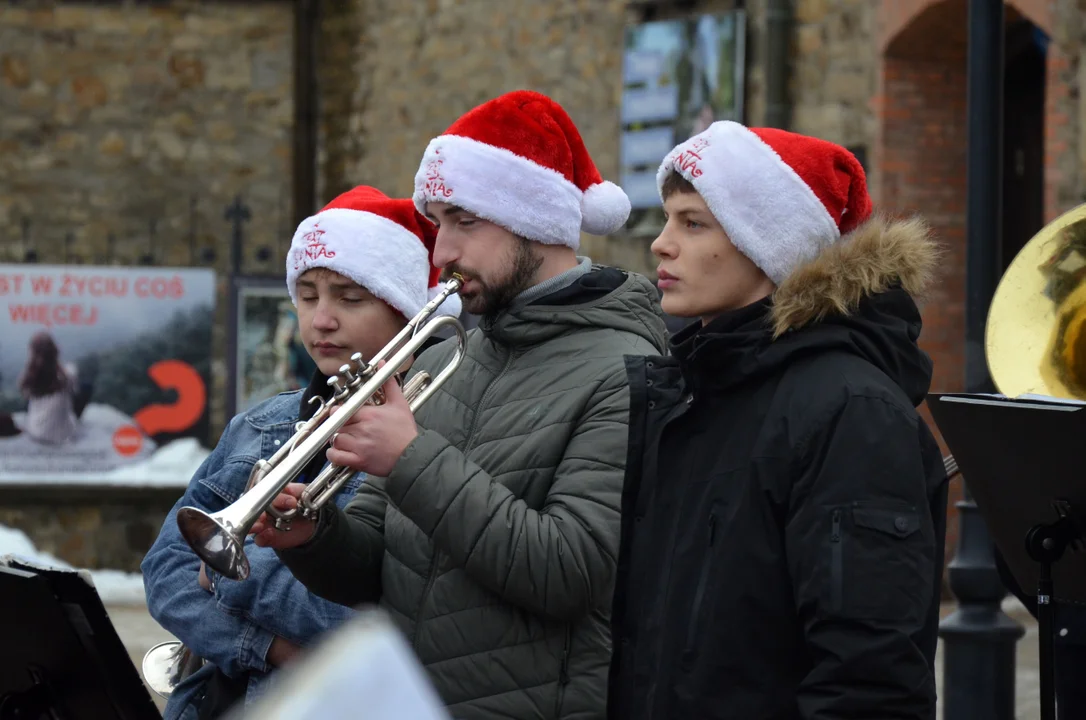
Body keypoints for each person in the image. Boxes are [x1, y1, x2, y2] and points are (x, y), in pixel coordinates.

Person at [252, 90, 669, 719]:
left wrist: (412, 457)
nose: (441, 251)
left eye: (465, 223)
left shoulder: (624, 367)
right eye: (439, 223)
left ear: (535, 223)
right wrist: (311, 535)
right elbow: (377, 567)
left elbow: (570, 571)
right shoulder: (450, 358)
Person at [606, 121, 949, 719]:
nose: (661, 243)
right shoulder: (692, 387)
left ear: (768, 244)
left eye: (693, 223)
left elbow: (869, 676)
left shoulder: (849, 410)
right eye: (667, 219)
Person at [141, 186, 461, 719]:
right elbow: (166, 569)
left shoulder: (432, 437)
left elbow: (375, 617)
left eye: (349, 297)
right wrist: (271, 649)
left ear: (405, 308)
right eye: (308, 295)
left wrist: (228, 573)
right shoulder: (261, 425)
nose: (320, 320)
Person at [18, 331, 81, 445]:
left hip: (36, 431)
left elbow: (25, 392)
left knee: (32, 400)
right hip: (62, 435)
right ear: (55, 352)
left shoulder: (29, 377)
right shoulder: (68, 374)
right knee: (85, 387)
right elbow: (75, 391)